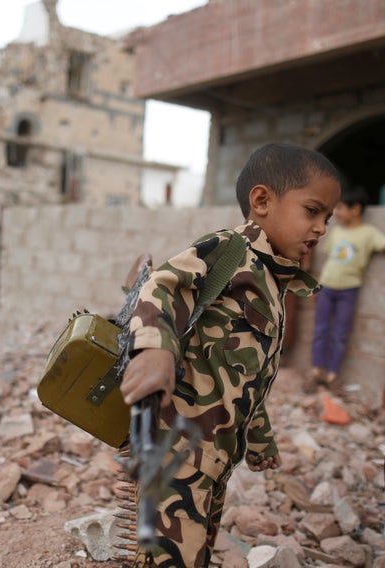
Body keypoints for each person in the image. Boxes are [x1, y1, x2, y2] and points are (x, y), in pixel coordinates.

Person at [119, 143, 341, 567]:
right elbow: (162, 286)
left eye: (327, 218)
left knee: (197, 549)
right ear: (262, 201)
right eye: (312, 211)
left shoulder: (273, 285)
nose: (321, 228)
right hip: (175, 445)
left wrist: (259, 440)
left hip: (215, 456)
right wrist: (154, 349)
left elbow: (246, 378)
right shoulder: (228, 250)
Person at [309, 186, 385, 392]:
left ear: (356, 209)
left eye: (340, 208)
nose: (337, 213)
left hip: (348, 292)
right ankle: (316, 373)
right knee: (320, 331)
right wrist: (317, 288)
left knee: (340, 335)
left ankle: (332, 376)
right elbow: (329, 262)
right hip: (326, 289)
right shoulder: (337, 232)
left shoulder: (369, 233)